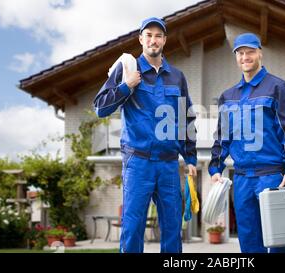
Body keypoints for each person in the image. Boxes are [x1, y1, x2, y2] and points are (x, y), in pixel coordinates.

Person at [94, 17, 197, 253]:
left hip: (169, 164)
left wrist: (190, 157)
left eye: (158, 35)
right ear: (141, 39)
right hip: (138, 162)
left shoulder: (177, 77)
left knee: (172, 228)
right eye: (148, 35)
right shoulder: (127, 68)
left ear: (165, 40)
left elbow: (185, 119)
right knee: (133, 228)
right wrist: (126, 86)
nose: (153, 40)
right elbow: (100, 107)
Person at [208, 33, 285, 253]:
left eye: (249, 51)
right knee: (249, 243)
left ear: (260, 52)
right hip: (241, 179)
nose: (245, 57)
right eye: (240, 53)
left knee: (279, 242)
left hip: (272, 177)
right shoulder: (227, 96)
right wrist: (216, 166)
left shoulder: (279, 88)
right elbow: (222, 135)